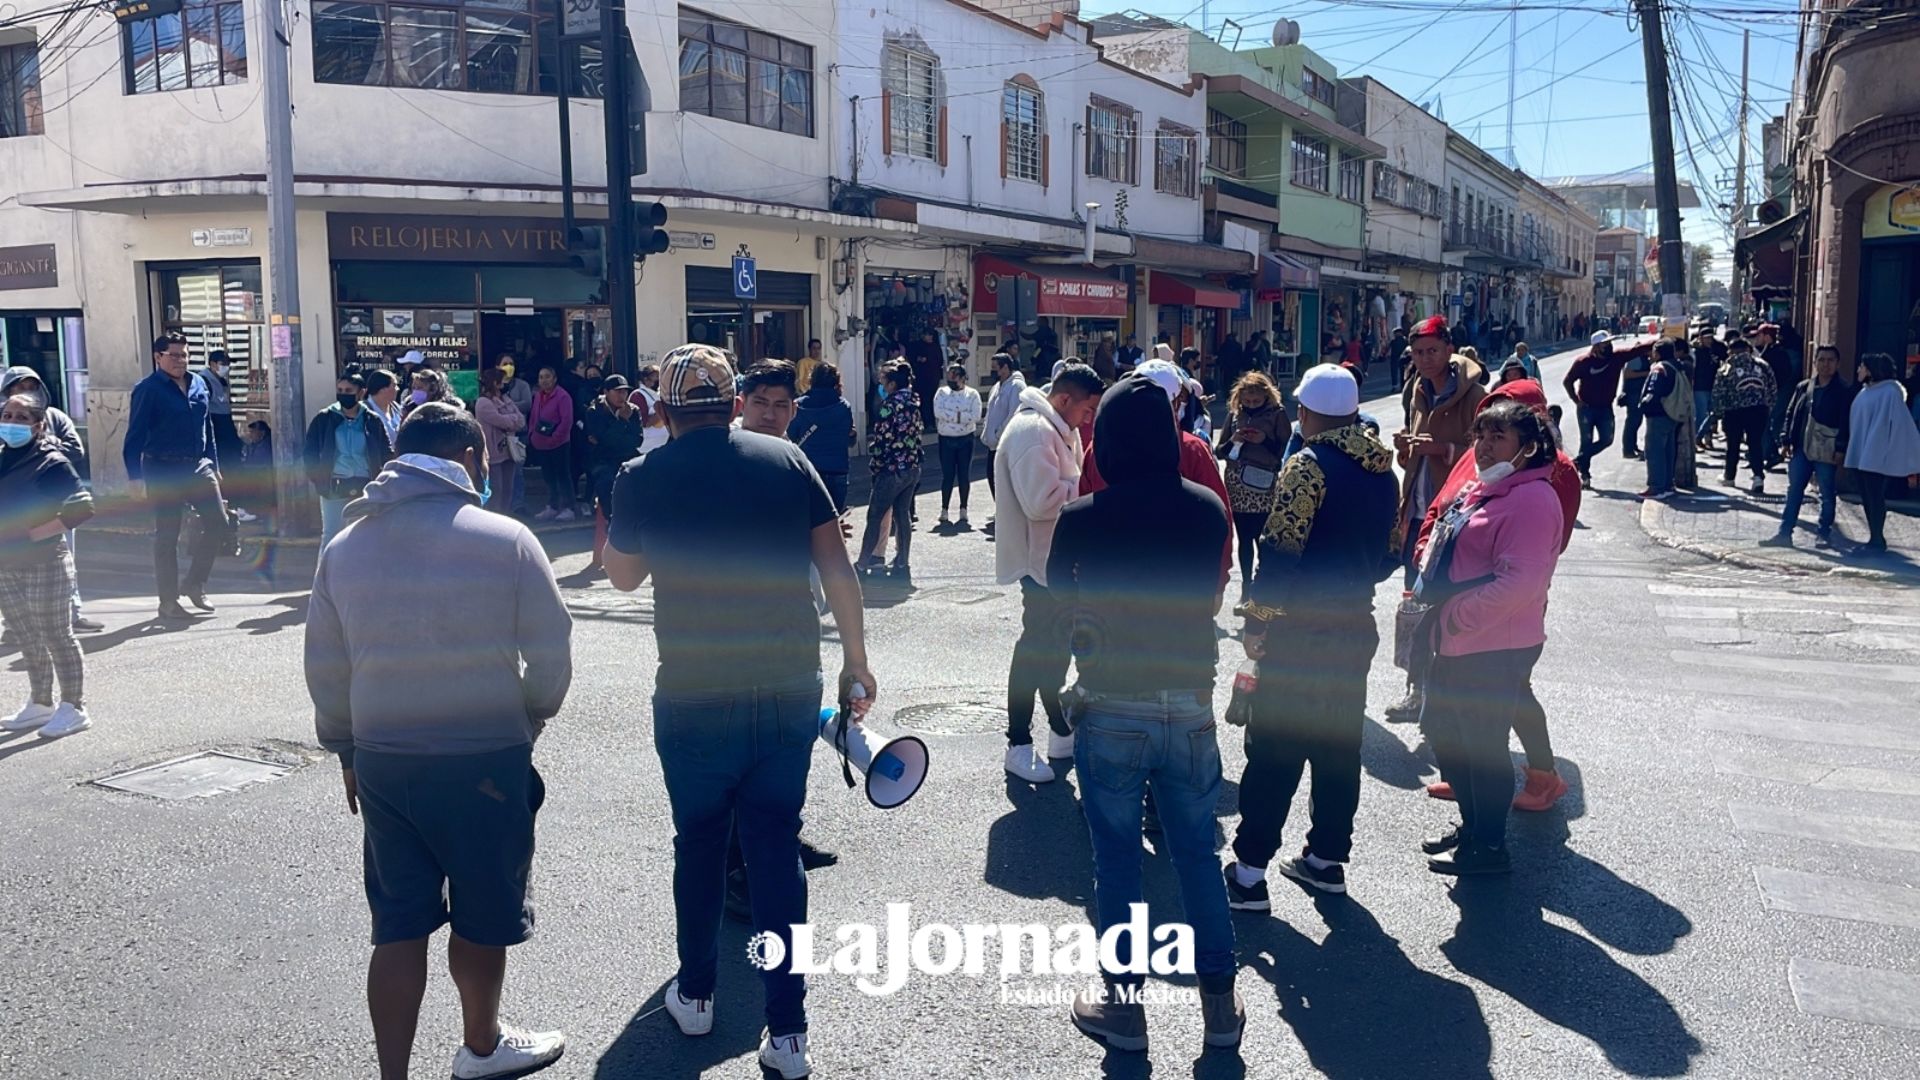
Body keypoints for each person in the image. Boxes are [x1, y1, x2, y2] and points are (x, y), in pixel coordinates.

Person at [601, 344, 874, 1080]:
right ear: (731, 405)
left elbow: (622, 578)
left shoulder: (644, 476)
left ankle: (696, 993)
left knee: (697, 843)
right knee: (776, 850)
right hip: (787, 683)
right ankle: (788, 1034)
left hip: (693, 690)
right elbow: (837, 569)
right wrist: (856, 659)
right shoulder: (787, 462)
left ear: (662, 411)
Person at [306, 403, 572, 1080]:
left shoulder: (344, 547)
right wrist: (529, 720)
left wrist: (346, 751)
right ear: (472, 459)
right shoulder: (506, 538)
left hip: (383, 760)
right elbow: (552, 655)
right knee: (482, 912)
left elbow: (325, 666)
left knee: (398, 921)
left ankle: (393, 1074)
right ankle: (481, 1046)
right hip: (484, 756)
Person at [1048, 374, 1242, 1053]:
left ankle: (1123, 1011)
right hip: (1189, 701)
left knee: (1119, 862)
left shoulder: (1083, 518)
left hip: (1111, 704)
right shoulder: (1205, 509)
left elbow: (1056, 612)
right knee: (1196, 856)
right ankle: (1221, 1011)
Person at [1225, 365, 1398, 902]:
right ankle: (1325, 859)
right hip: (1354, 626)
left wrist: (1258, 624)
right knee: (1338, 748)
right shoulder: (1382, 469)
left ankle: (1250, 872)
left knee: (1275, 748)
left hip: (1300, 631)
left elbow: (1278, 552)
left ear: (1306, 412)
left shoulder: (1307, 466)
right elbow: (1390, 554)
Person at [1410, 380, 1581, 811]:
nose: (1485, 443)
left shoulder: (1550, 476)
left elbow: (1537, 556)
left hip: (1500, 615)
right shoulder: (1479, 458)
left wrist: (1468, 603)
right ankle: (1467, 785)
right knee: (1454, 713)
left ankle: (1528, 785)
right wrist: (1430, 550)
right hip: (1461, 604)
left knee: (1505, 704)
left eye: (1500, 431)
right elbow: (1444, 505)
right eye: (1483, 430)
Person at [997, 363, 1106, 784]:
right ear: (1065, 400)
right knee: (1036, 651)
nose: (1089, 419)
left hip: (1053, 562)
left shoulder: (1055, 427)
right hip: (1038, 563)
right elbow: (1041, 503)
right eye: (1087, 409)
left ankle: (1058, 732)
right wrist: (1091, 490)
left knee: (1053, 649)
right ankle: (1018, 742)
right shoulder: (1034, 432)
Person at [1082, 360, 1233, 602]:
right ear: (1173, 404)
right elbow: (1220, 521)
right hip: (1180, 590)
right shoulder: (1192, 449)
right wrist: (1218, 583)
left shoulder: (1096, 449)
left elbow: (1083, 507)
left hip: (1107, 591)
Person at [0, 393, 94, 739]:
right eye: (7, 414)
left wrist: (33, 534)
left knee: (56, 635)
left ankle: (74, 707)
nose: (10, 422)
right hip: (5, 564)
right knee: (26, 634)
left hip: (45, 562)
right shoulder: (2, 458)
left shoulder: (50, 462)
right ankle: (40, 703)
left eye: (21, 417)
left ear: (38, 425)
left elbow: (82, 508)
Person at [122, 331, 234, 620]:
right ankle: (168, 601)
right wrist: (134, 475)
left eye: (184, 354)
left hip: (198, 466)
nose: (180, 360)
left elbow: (206, 426)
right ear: (158, 357)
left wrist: (214, 463)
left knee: (219, 523)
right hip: (162, 468)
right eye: (174, 355)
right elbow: (134, 435)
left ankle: (195, 583)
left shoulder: (198, 383)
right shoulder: (148, 389)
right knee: (167, 536)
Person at [0, 366, 98, 633]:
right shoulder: (4, 421)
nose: (24, 393)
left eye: (30, 387)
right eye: (17, 388)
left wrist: (46, 443)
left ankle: (70, 614)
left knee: (62, 562)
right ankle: (14, 625)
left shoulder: (54, 417)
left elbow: (75, 449)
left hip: (52, 506)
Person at [1396, 316, 1487, 581]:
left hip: (1454, 515)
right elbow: (1415, 458)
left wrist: (1441, 449)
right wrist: (1406, 448)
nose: (1425, 359)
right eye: (1418, 353)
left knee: (1441, 598)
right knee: (1412, 595)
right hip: (1415, 515)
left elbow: (1487, 456)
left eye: (1432, 351)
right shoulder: (1417, 392)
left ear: (1449, 350)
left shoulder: (1475, 396)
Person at [1762, 345, 1856, 548]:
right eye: (1821, 360)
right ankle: (1784, 533)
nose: (1825, 364)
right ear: (1815, 362)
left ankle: (1823, 533)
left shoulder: (1844, 390)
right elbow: (1791, 414)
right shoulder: (1803, 387)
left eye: (1830, 360)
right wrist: (1786, 440)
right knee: (1794, 490)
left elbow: (1846, 422)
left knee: (1827, 494)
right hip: (1801, 449)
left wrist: (1840, 448)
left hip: (1827, 450)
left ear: (1837, 363)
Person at [1214, 371, 1291, 595]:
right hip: (1237, 482)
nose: (1251, 405)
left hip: (1264, 481)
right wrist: (1234, 440)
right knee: (1244, 537)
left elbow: (1285, 452)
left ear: (1267, 397)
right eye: (1247, 401)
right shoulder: (1235, 414)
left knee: (1263, 537)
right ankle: (1246, 586)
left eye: (1256, 401)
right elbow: (1220, 452)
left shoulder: (1277, 414)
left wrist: (1264, 440)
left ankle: (1263, 585)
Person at [855, 360, 925, 587]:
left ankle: (862, 565)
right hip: (912, 467)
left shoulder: (889, 405)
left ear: (892, 384)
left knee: (875, 516)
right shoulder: (914, 401)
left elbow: (882, 439)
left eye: (884, 381)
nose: (881, 385)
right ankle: (902, 563)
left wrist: (875, 464)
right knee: (902, 515)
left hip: (891, 468)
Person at [305, 373, 396, 546]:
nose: (343, 393)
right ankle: (326, 573)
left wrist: (383, 478)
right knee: (331, 534)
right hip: (334, 485)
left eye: (349, 390)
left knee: (362, 535)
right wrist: (317, 478)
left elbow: (386, 452)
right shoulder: (324, 418)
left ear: (361, 393)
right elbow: (310, 452)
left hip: (365, 485)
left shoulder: (372, 420)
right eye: (340, 390)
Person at [1843, 352, 1920, 555]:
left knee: (1874, 495)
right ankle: (1874, 535)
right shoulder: (1865, 392)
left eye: (1862, 366)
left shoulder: (1889, 393)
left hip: (1876, 453)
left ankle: (1877, 536)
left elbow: (1901, 425)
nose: (1858, 370)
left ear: (1870, 369)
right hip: (1862, 451)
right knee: (1867, 495)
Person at [583, 374, 646, 569]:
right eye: (617, 392)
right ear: (606, 392)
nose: (622, 396)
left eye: (625, 391)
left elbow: (637, 440)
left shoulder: (633, 410)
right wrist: (621, 424)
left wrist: (619, 428)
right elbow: (602, 440)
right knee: (606, 482)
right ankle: (614, 525)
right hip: (602, 460)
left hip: (627, 457)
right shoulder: (594, 411)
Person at [788, 362, 854, 516]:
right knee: (834, 523)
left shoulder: (798, 406)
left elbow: (791, 436)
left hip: (808, 470)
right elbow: (849, 440)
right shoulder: (844, 406)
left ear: (812, 379)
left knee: (809, 523)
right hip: (838, 469)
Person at [1563, 330, 1627, 489]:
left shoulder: (1615, 358)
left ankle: (1577, 461)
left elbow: (1635, 351)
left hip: (1605, 408)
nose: (1609, 346)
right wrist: (1576, 401)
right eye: (1605, 344)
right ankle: (1584, 474)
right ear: (1597, 347)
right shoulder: (1583, 362)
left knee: (1607, 439)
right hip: (1586, 409)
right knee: (1586, 441)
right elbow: (1568, 381)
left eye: (1610, 343)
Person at [1713, 337, 1776, 495]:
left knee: (1733, 444)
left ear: (1731, 351)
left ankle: (1729, 476)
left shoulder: (1727, 368)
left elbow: (1718, 392)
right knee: (1755, 443)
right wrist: (1768, 406)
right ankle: (1758, 477)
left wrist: (1719, 412)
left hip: (1734, 410)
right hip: (1759, 409)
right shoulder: (1762, 364)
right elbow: (1772, 386)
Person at [1636, 338, 1693, 500]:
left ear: (1658, 352)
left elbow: (1654, 392)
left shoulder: (1659, 368)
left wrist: (1643, 405)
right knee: (1668, 450)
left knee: (1654, 451)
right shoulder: (1678, 366)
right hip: (1673, 413)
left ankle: (1656, 487)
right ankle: (1668, 484)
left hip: (1659, 413)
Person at [200, 351, 249, 520]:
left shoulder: (220, 381)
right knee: (226, 469)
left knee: (233, 467)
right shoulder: (205, 380)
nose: (226, 367)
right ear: (213, 364)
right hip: (217, 429)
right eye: (223, 363)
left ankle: (233, 506)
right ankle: (231, 507)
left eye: (228, 363)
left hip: (225, 426)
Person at [933, 362, 983, 526]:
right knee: (947, 475)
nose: (951, 379)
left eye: (954, 375)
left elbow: (975, 415)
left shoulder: (973, 394)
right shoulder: (941, 392)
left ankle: (963, 509)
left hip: (965, 438)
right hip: (946, 438)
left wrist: (952, 416)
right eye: (949, 375)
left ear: (962, 378)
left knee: (964, 475)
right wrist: (961, 416)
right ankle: (944, 509)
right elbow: (938, 412)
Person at [526, 366, 577, 521]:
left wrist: (555, 437)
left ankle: (569, 508)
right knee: (548, 477)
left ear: (555, 379)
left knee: (562, 476)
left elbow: (567, 421)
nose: (544, 380)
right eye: (541, 377)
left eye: (548, 376)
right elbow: (533, 417)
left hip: (559, 444)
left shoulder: (563, 397)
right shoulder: (537, 396)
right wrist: (532, 435)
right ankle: (553, 506)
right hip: (541, 444)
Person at [476, 368, 527, 521]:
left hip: (509, 451)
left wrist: (510, 418)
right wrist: (512, 419)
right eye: (502, 381)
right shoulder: (483, 403)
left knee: (508, 489)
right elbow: (501, 421)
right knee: (496, 490)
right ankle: (492, 521)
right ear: (495, 383)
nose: (505, 384)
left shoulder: (505, 399)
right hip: (493, 453)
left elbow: (521, 420)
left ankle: (505, 519)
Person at [979, 352, 1026, 512]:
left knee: (1004, 480)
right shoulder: (996, 387)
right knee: (992, 477)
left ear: (1005, 367)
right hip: (993, 444)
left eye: (995, 368)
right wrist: (987, 434)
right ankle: (1000, 509)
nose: (993, 372)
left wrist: (999, 434)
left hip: (1006, 444)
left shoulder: (1017, 386)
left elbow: (1014, 413)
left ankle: (1008, 511)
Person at [1755, 324, 1799, 466]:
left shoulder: (1777, 353)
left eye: (1759, 335)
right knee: (1773, 424)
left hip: (1777, 395)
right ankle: (1769, 453)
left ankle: (1771, 453)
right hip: (1776, 394)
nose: (1757, 338)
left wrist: (1772, 390)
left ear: (1767, 337)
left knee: (1763, 422)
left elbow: (1782, 375)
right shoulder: (1771, 351)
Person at [1619, 339, 1654, 460]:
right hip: (1633, 394)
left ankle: (1633, 446)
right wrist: (1647, 373)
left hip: (1638, 394)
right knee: (1632, 422)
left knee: (1636, 421)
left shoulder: (1643, 358)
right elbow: (1628, 374)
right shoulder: (1635, 358)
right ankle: (1628, 450)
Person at [1691, 329, 1723, 451]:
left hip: (1713, 386)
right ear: (1700, 338)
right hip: (1699, 387)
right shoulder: (1696, 352)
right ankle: (1695, 440)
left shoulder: (1716, 350)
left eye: (1711, 338)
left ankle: (1705, 437)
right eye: (1706, 338)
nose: (1709, 340)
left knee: (1714, 414)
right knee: (1700, 415)